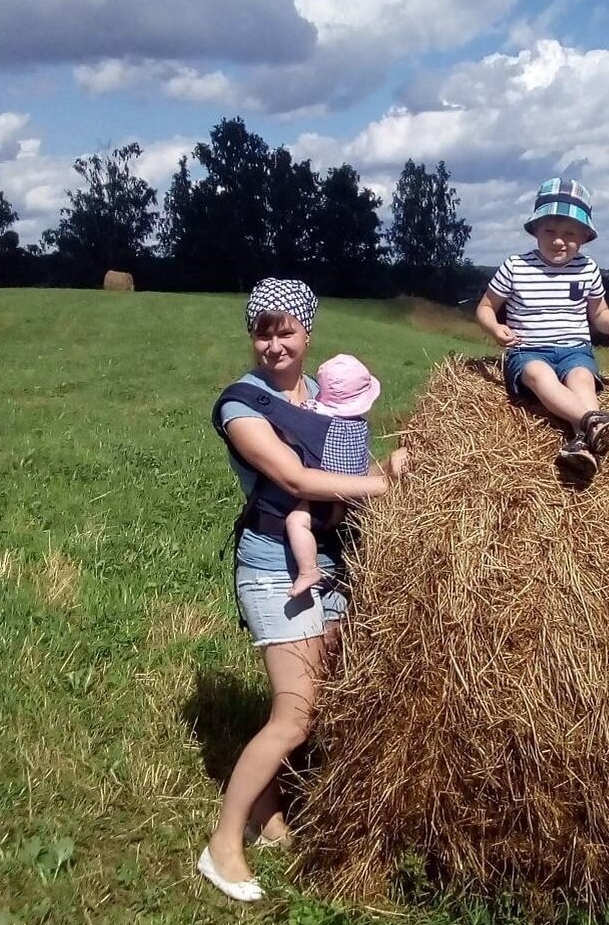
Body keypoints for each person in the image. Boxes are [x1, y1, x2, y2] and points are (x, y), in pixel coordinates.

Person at [198, 279, 408, 903]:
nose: (273, 343)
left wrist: (387, 468)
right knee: (297, 717)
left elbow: (345, 473)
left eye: (285, 330)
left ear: (307, 334)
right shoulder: (241, 407)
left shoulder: (327, 395)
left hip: (331, 564)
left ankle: (267, 816)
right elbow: (294, 477)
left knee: (306, 705)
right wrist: (386, 490)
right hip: (274, 569)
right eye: (262, 331)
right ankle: (222, 846)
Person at [476, 177, 609, 484]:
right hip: (529, 350)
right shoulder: (515, 267)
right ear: (535, 230)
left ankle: (582, 445)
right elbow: (484, 307)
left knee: (582, 379)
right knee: (540, 376)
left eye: (570, 233)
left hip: (575, 349)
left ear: (585, 236)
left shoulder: (587, 268)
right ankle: (590, 423)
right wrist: (495, 327)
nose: (559, 240)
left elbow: (598, 312)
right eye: (550, 230)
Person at [285, 354, 380, 599]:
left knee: (296, 521)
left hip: (326, 492)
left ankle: (308, 570)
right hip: (355, 492)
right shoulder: (360, 425)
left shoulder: (314, 416)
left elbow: (291, 434)